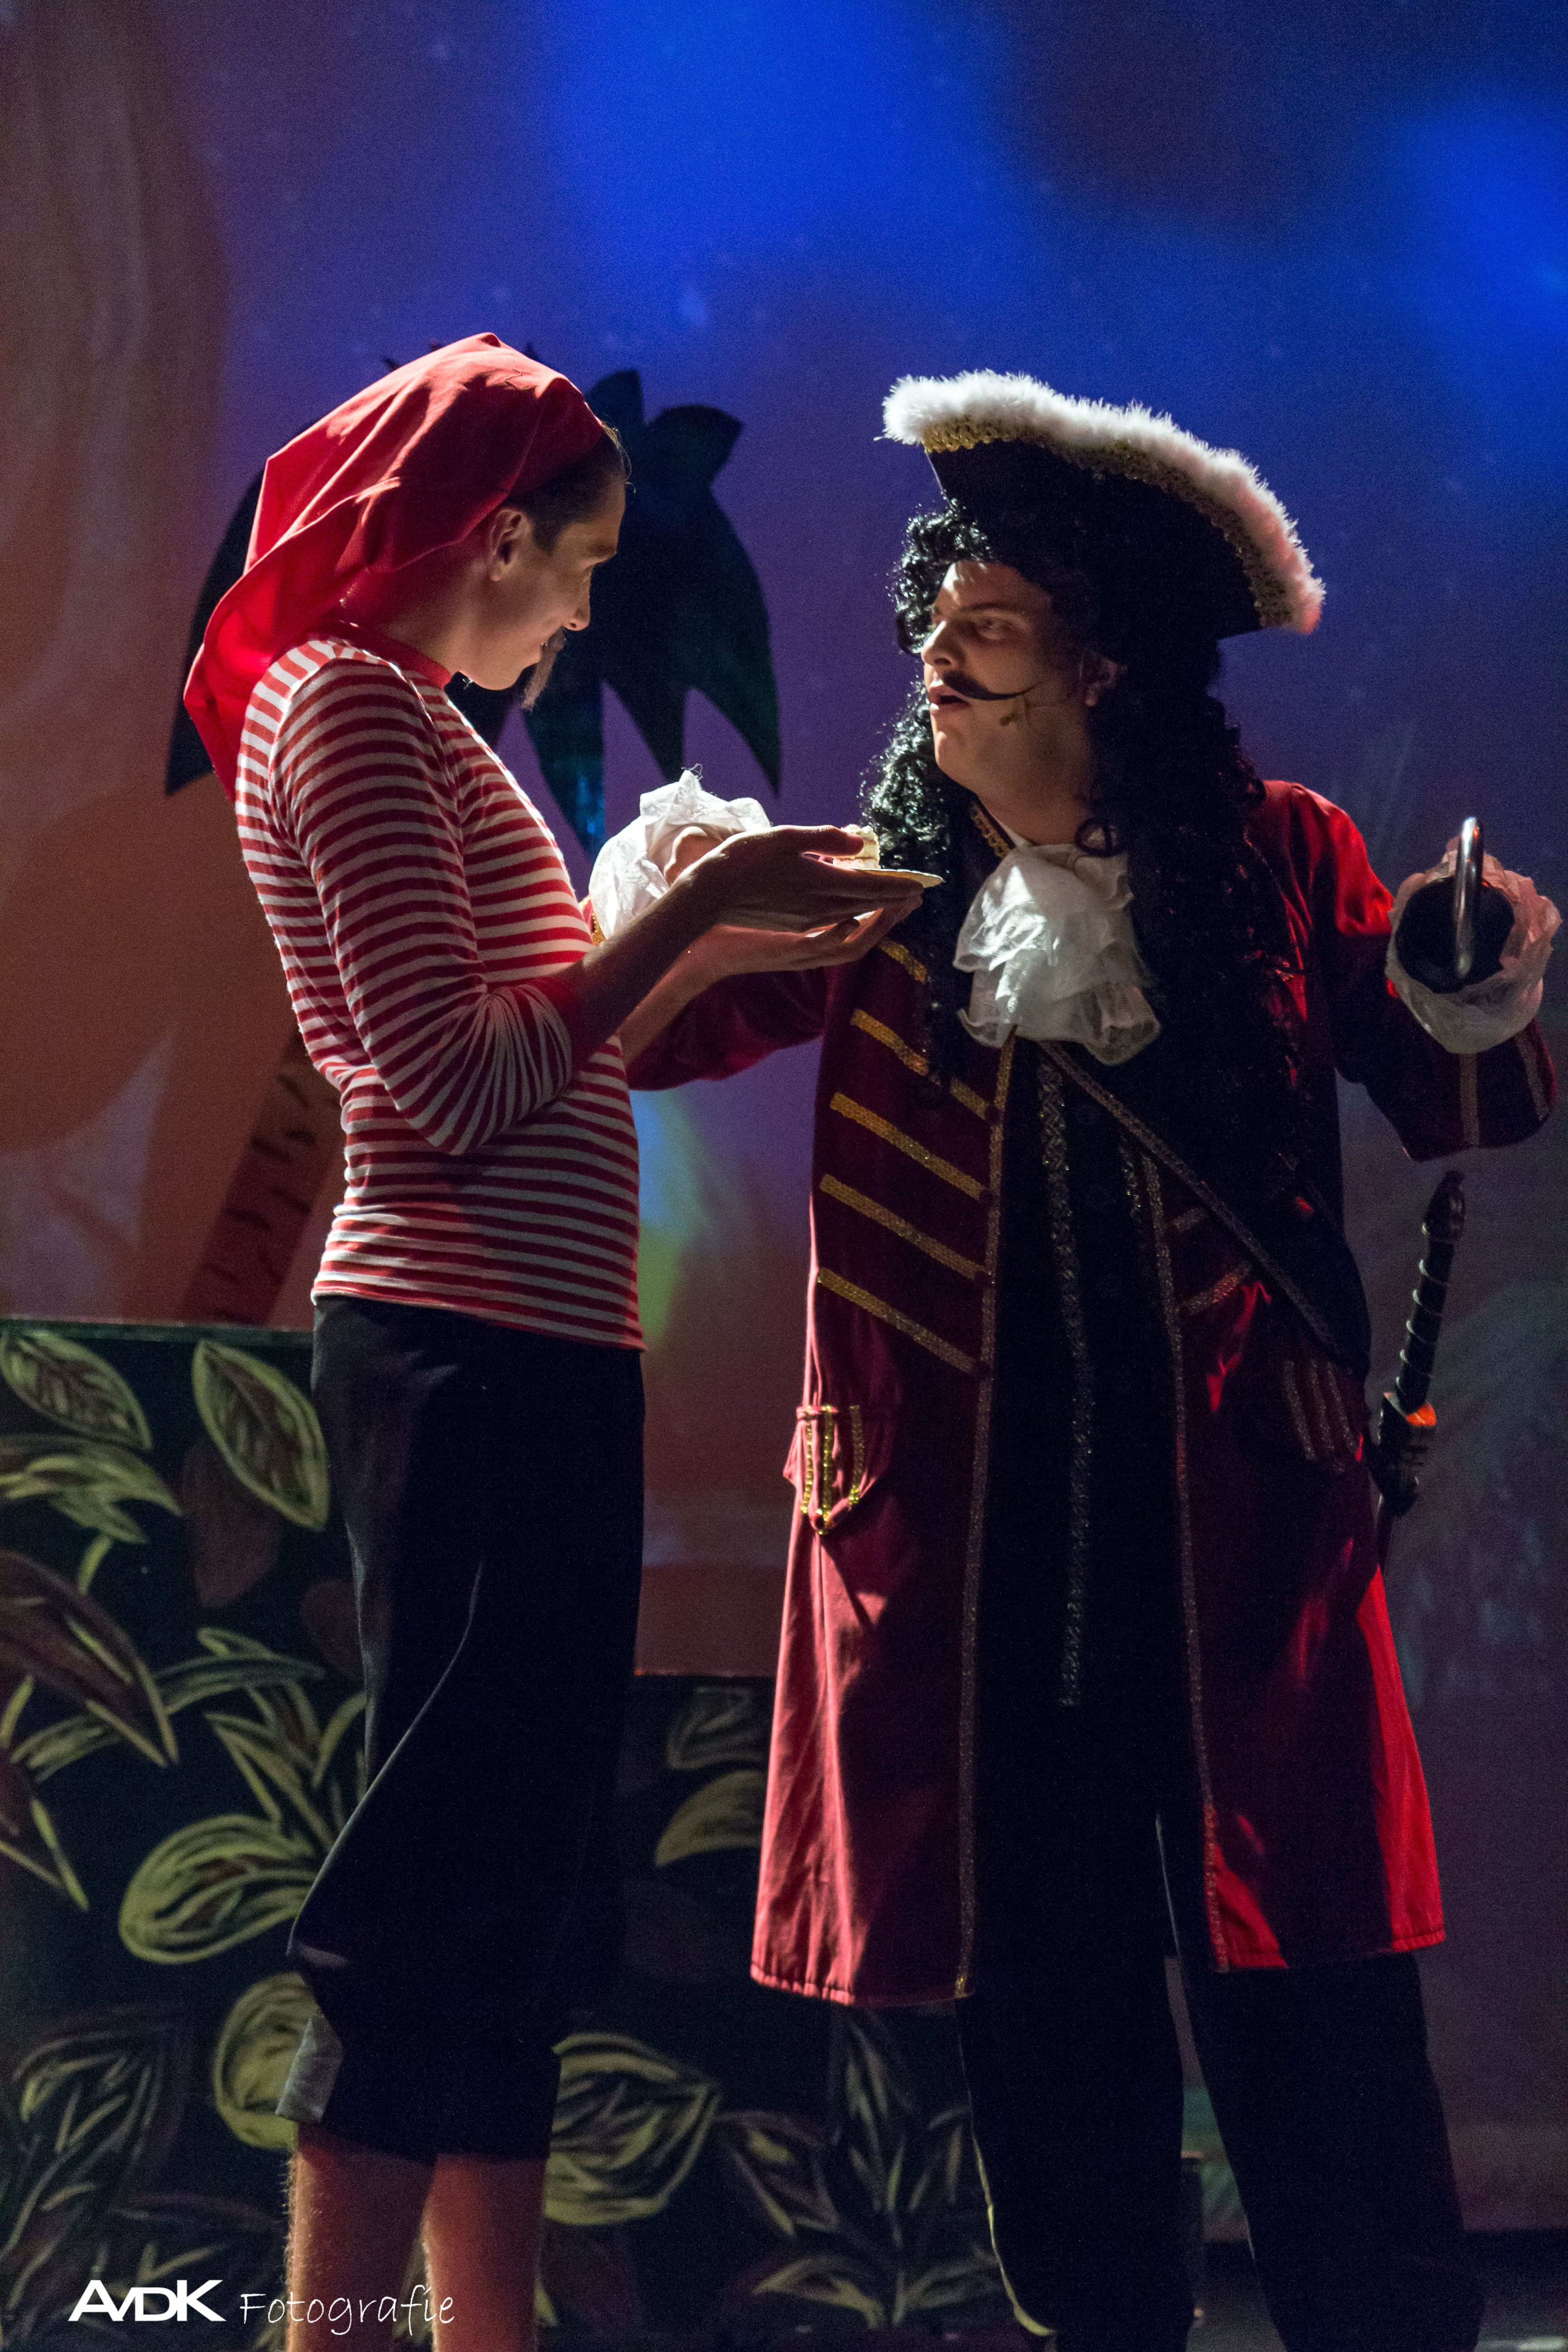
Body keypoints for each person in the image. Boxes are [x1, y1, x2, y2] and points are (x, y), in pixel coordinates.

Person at [612, 372, 1558, 2352]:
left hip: (1232, 1530)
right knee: (1045, 2013)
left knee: (1311, 1989)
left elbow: (1461, 1098)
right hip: (970, 1547)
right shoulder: (872, 894)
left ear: (1104, 664)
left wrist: (1469, 971)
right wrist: (677, 910)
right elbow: (657, 1040)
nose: (936, 660)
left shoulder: (1281, 857)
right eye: (937, 623)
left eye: (989, 628)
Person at [183, 334, 922, 2352]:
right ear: (495, 535)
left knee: (519, 1891)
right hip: (462, 1345)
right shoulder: (348, 706)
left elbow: (546, 1043)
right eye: (582, 567)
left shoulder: (423, 724)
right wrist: (694, 914)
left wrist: (746, 935)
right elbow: (448, 1085)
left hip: (541, 1350)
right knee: (436, 1879)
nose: (588, 611)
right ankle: (343, 2332)